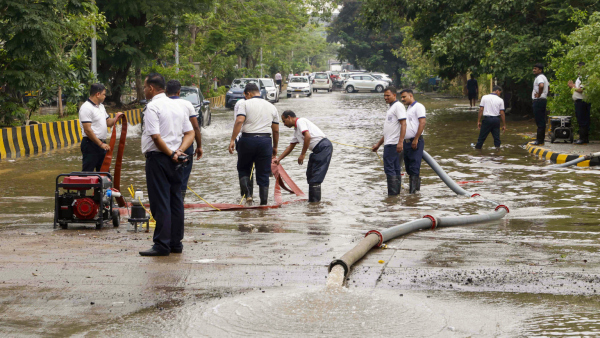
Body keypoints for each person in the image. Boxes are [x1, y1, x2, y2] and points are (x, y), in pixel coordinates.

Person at [139, 73, 195, 257]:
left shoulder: (152, 107)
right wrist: (180, 151)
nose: (144, 90)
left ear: (152, 88)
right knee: (175, 200)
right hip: (176, 159)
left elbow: (155, 137)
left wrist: (171, 153)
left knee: (160, 201)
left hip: (159, 158)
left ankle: (162, 244)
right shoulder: (178, 105)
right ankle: (175, 243)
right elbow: (190, 133)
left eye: (145, 87)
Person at [228, 83, 279, 205]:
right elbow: (276, 130)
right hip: (265, 141)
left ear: (248, 93)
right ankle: (264, 204)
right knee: (263, 173)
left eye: (245, 95)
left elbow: (239, 121)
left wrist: (232, 139)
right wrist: (275, 147)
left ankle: (248, 196)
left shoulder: (244, 104)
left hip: (247, 140)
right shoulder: (271, 106)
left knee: (244, 169)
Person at [275, 111, 333, 202]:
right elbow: (290, 147)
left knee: (316, 178)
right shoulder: (296, 131)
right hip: (316, 150)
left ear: (289, 117)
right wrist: (279, 159)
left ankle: (315, 204)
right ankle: (312, 203)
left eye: (284, 121)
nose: (284, 124)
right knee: (310, 175)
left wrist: (302, 154)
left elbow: (308, 136)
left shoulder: (300, 121)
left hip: (323, 147)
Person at [165, 80, 204, 201]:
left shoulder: (160, 104)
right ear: (179, 91)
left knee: (165, 175)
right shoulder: (187, 104)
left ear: (166, 91)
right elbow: (195, 127)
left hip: (165, 144)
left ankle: (167, 204)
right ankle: (179, 204)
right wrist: (199, 146)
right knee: (183, 175)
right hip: (185, 143)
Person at [371, 86, 407, 196]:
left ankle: (392, 197)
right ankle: (395, 196)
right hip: (389, 143)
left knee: (390, 169)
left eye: (388, 95)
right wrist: (378, 144)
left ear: (394, 95)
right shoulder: (391, 108)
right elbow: (388, 131)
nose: (385, 98)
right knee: (395, 169)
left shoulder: (398, 106)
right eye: (384, 96)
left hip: (393, 144)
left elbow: (404, 124)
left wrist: (400, 142)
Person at [79, 83, 121, 172]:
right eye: (104, 94)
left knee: (104, 172)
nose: (105, 97)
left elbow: (108, 122)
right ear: (97, 94)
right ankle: (86, 186)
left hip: (101, 144)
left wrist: (116, 118)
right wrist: (100, 144)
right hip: (90, 144)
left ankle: (101, 186)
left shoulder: (101, 106)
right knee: (88, 172)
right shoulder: (86, 108)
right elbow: (87, 130)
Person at [399, 89, 426, 194]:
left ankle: (413, 194)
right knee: (409, 168)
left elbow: (422, 123)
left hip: (415, 142)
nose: (402, 99)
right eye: (401, 97)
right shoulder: (409, 108)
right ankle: (414, 193)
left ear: (411, 96)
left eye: (404, 97)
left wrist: (415, 139)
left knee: (414, 167)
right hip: (406, 143)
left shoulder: (418, 107)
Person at [233, 91, 255, 202]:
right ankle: (249, 194)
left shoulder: (242, 104)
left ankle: (247, 194)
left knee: (244, 168)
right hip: (247, 137)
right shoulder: (242, 103)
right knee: (249, 168)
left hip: (242, 139)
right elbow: (239, 121)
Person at [569, 62, 591, 144]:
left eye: (579, 68)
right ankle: (582, 138)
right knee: (580, 119)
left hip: (583, 101)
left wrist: (572, 86)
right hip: (578, 101)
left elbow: (581, 90)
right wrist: (573, 86)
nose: (577, 70)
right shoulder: (579, 78)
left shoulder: (585, 78)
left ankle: (583, 139)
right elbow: (577, 88)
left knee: (583, 120)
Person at [531, 63, 549, 145]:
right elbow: (548, 87)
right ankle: (541, 139)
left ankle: (539, 140)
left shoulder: (539, 77)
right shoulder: (544, 77)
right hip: (542, 100)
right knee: (541, 120)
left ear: (540, 70)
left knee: (539, 121)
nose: (533, 70)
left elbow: (541, 86)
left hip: (538, 100)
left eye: (536, 68)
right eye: (533, 68)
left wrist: (539, 94)